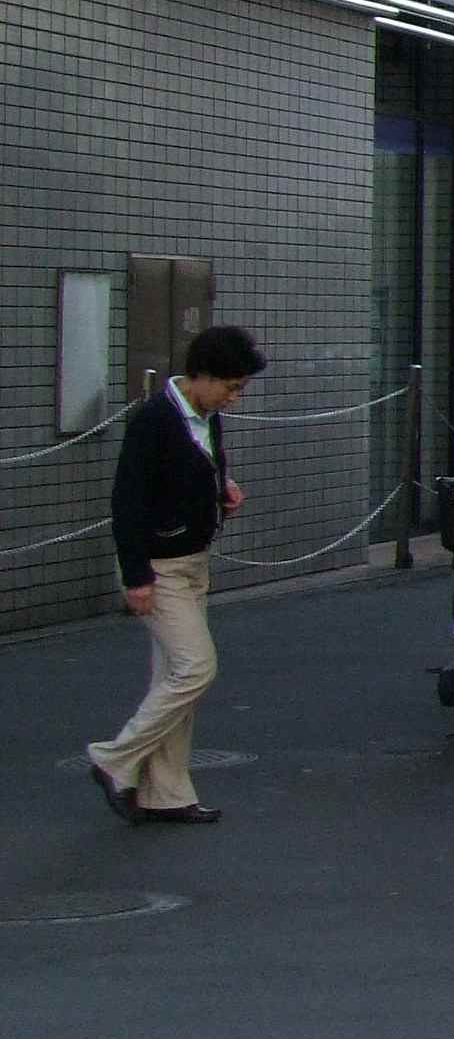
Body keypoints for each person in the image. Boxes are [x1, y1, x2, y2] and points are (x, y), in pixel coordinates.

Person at [88, 325, 262, 826]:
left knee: (171, 676)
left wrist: (222, 490)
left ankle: (165, 792)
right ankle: (114, 758)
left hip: (192, 561)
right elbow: (128, 499)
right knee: (195, 667)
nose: (233, 397)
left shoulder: (205, 417)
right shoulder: (154, 419)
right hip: (160, 568)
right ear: (201, 374)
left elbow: (196, 470)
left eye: (240, 388)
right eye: (230, 386)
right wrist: (136, 575)